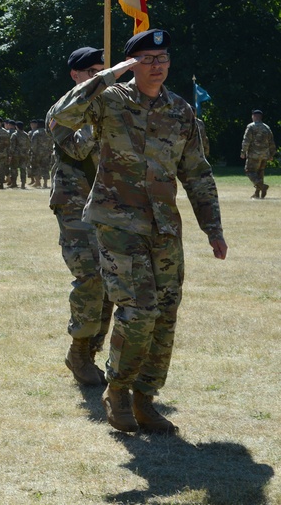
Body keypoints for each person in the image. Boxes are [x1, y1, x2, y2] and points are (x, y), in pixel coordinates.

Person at [48, 29, 227, 434]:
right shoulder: (109, 101)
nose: (157, 65)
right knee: (137, 310)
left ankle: (146, 398)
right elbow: (58, 119)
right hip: (117, 222)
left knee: (164, 313)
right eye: (147, 58)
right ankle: (118, 390)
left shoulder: (181, 111)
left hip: (164, 227)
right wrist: (107, 75)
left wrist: (212, 228)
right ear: (132, 64)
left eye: (162, 57)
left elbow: (197, 173)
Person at [47, 47, 113, 388]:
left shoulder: (110, 106)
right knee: (90, 279)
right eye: (92, 73)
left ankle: (89, 351)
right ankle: (79, 352)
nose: (98, 79)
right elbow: (75, 147)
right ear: (76, 76)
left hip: (108, 203)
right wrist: (97, 121)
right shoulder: (63, 111)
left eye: (102, 72)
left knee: (111, 283)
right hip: (75, 206)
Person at [240, 109, 276, 199]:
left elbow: (246, 140)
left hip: (254, 155)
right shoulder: (267, 127)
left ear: (254, 116)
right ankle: (257, 193)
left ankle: (262, 186)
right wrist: (271, 154)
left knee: (249, 171)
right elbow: (271, 142)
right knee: (260, 173)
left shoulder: (251, 127)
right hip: (265, 155)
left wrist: (243, 152)